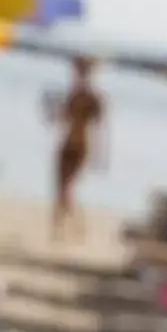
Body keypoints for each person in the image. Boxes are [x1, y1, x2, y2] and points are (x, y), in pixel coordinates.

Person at [51, 55, 104, 233]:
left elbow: (99, 129)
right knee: (61, 187)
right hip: (71, 143)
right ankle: (61, 226)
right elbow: (63, 120)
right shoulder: (75, 95)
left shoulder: (91, 98)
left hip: (79, 145)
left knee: (66, 187)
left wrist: (99, 155)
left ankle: (72, 225)